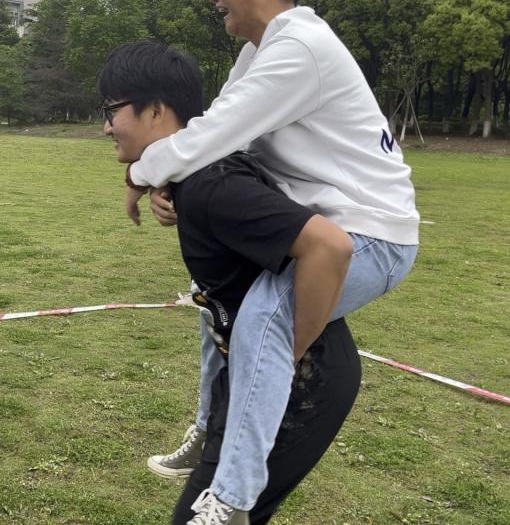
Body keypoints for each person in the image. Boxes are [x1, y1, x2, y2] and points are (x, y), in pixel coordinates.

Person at [125, 0, 420, 522]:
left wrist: (141, 172)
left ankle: (233, 500)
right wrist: (168, 179)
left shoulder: (299, 48)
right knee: (217, 301)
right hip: (334, 223)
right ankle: (209, 428)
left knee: (264, 317)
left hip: (374, 236)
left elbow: (216, 133)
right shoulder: (260, 52)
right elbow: (221, 134)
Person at [100, 40, 361, 525]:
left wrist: (286, 356)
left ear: (155, 110)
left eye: (111, 109)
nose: (106, 125)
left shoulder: (214, 184)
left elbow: (329, 246)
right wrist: (156, 186)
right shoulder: (192, 176)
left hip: (301, 384)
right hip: (245, 374)